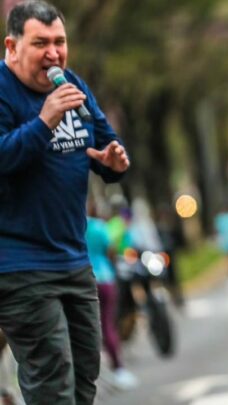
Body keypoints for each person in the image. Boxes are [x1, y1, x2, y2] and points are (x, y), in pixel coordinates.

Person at [0, 2, 130, 404]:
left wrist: (113, 162)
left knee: (84, 379)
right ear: (12, 47)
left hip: (74, 260)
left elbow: (105, 141)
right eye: (41, 43)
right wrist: (44, 121)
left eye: (60, 42)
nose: (54, 53)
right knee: (52, 384)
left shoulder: (71, 85)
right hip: (20, 264)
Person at [85, 203, 138, 390]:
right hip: (105, 279)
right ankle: (118, 370)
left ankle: (89, 376)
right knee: (107, 324)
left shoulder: (69, 227)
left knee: (85, 328)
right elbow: (111, 251)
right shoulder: (99, 227)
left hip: (82, 281)